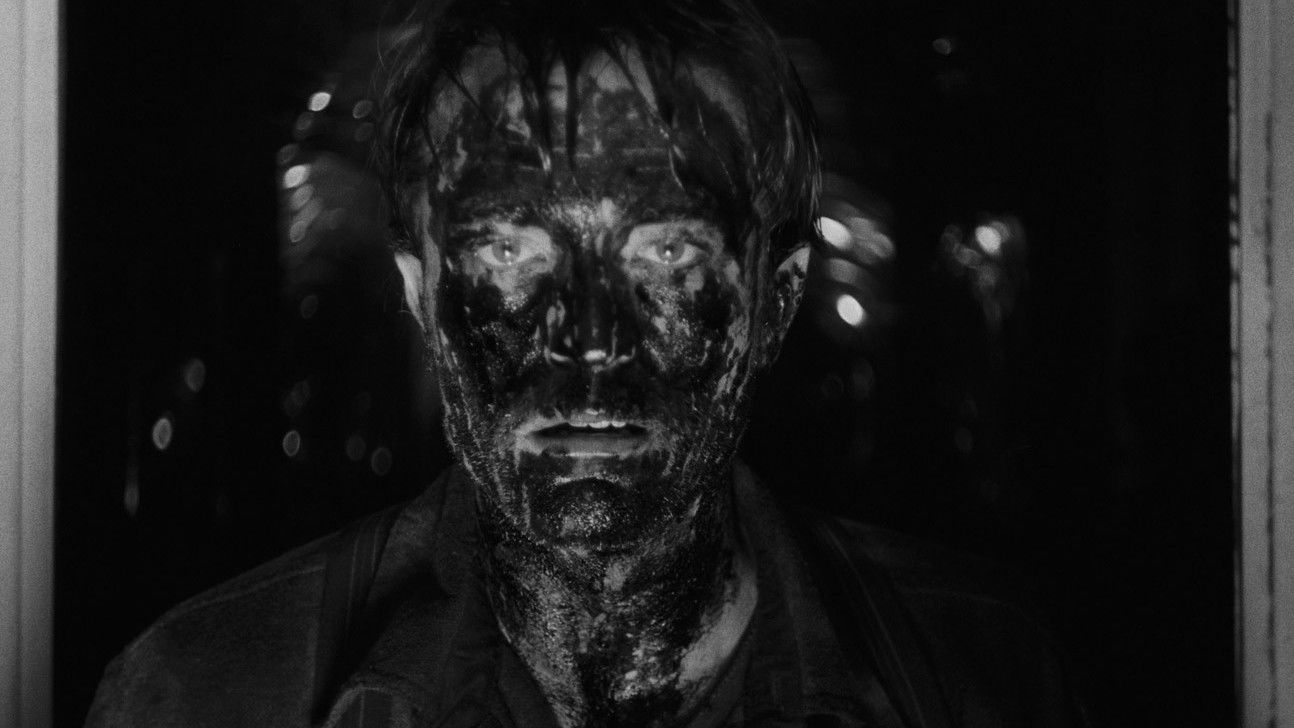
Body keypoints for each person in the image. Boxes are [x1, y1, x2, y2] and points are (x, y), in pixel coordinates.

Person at [86, 0, 1088, 726]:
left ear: (774, 301)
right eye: (509, 254)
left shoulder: (985, 677)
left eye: (667, 254)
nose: (590, 338)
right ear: (420, 295)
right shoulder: (207, 692)